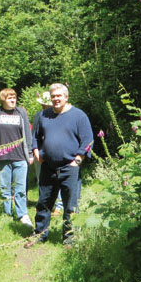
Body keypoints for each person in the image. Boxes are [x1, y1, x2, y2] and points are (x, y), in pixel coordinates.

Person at [25, 83, 93, 248]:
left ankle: (69, 238)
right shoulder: (44, 115)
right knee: (44, 203)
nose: (56, 99)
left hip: (69, 167)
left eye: (59, 96)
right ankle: (40, 234)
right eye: (53, 96)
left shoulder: (78, 116)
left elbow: (88, 140)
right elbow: (35, 137)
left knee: (70, 205)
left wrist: (77, 160)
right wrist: (36, 151)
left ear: (66, 97)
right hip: (48, 167)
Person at [0, 88, 34, 228]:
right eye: (9, 98)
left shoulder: (21, 113)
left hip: (20, 157)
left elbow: (27, 133)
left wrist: (30, 153)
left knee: (20, 189)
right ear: (3, 99)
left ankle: (23, 215)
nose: (13, 100)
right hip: (1, 158)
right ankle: (7, 214)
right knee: (5, 189)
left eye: (14, 97)